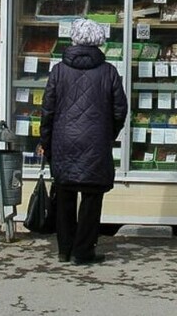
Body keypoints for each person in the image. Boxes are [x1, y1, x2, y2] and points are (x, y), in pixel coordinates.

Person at [40, 18, 127, 265]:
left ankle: (64, 249)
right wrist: (108, 134)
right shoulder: (108, 71)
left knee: (65, 193)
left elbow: (47, 110)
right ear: (98, 41)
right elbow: (120, 109)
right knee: (92, 197)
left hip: (64, 141)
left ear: (74, 39)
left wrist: (46, 140)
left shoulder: (58, 70)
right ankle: (83, 250)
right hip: (96, 142)